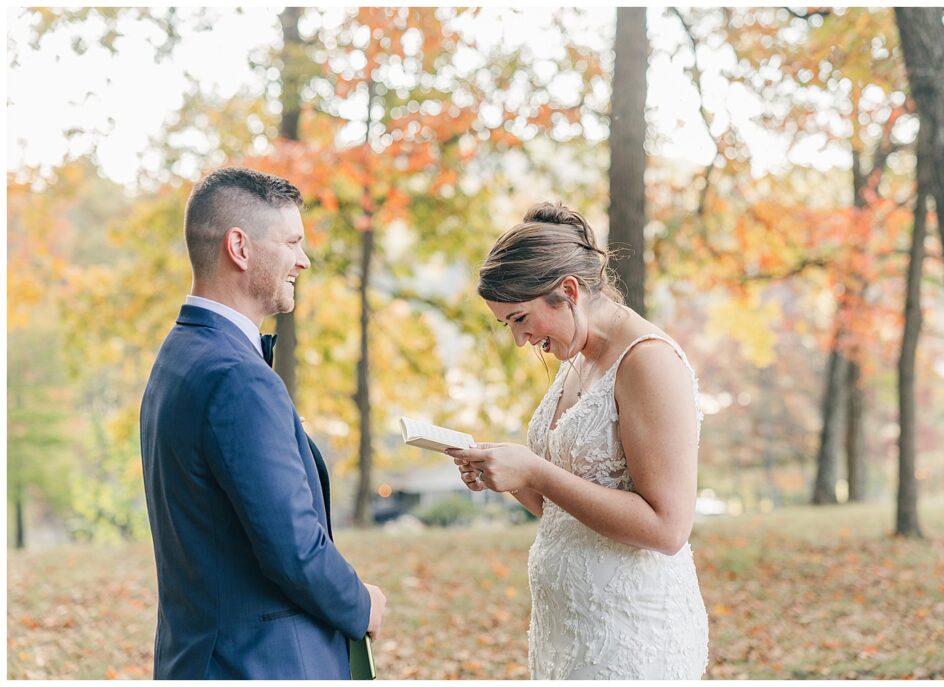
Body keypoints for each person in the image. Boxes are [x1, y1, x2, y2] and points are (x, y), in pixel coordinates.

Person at [140, 167, 386, 679]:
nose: (304, 259)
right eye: (292, 242)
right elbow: (293, 546)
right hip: (256, 662)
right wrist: (361, 603)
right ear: (240, 247)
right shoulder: (235, 376)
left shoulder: (180, 354)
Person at [447, 202, 709, 679]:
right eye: (508, 324)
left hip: (631, 634)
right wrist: (506, 477)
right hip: (567, 634)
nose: (521, 341)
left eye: (521, 319)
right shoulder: (578, 359)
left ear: (568, 291)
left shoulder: (647, 362)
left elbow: (668, 528)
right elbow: (564, 511)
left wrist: (535, 470)